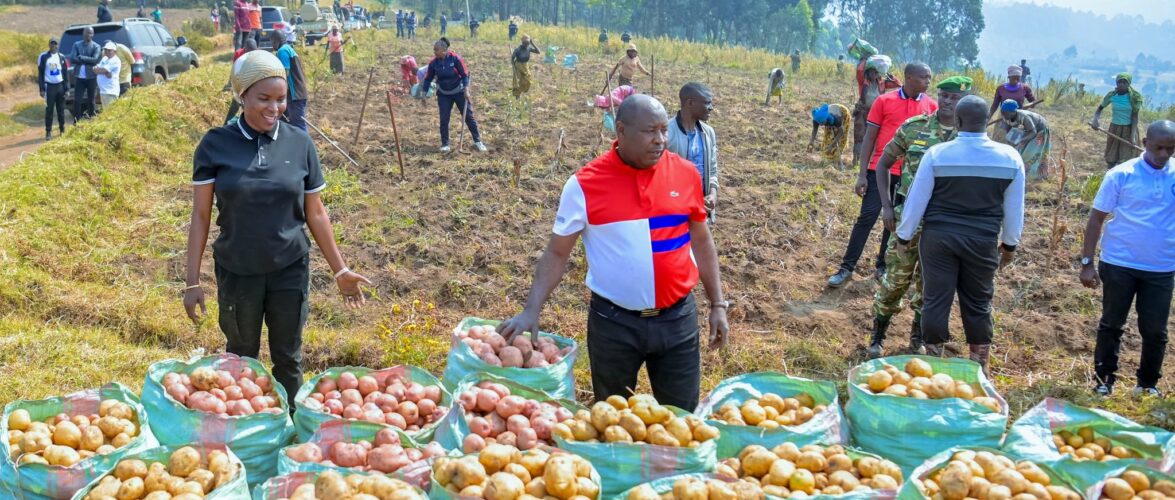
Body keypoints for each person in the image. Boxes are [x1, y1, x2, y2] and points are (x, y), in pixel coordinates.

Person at [497, 94, 730, 411]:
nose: (660, 140)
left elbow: (701, 240)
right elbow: (557, 253)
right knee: (613, 416)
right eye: (650, 131)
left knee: (682, 417)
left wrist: (717, 303)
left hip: (677, 321)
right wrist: (531, 309)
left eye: (664, 130)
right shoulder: (585, 184)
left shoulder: (686, 174)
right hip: (615, 325)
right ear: (620, 131)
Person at [185, 49, 371, 407]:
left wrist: (341, 270)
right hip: (238, 271)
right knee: (241, 358)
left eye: (281, 99)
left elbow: (315, 213)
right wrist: (192, 281)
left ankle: (289, 429)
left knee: (288, 358)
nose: (274, 108)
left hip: (289, 267)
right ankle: (248, 428)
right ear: (242, 96)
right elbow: (201, 217)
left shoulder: (299, 143)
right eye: (263, 99)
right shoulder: (214, 145)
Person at [895, 95, 1024, 372]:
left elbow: (916, 201)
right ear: (986, 122)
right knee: (978, 300)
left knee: (935, 298)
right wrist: (1010, 245)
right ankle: (979, 365)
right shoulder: (1009, 158)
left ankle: (932, 363)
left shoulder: (938, 154)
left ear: (958, 120)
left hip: (938, 238)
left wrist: (903, 237)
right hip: (983, 240)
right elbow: (1015, 208)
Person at [869, 76, 971, 358]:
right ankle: (877, 336)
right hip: (907, 221)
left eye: (956, 98)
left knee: (931, 287)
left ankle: (917, 338)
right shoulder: (916, 128)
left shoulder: (969, 139)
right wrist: (887, 207)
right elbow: (883, 165)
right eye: (946, 95)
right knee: (895, 281)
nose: (949, 101)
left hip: (943, 226)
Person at [1081, 120, 1175, 397]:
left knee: (1155, 330)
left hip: (1161, 267)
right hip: (1119, 263)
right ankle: (1104, 380)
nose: (1163, 154)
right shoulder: (1122, 175)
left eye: (1170, 149)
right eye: (1158, 147)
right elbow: (1096, 219)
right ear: (1145, 142)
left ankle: (1147, 385)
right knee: (1112, 324)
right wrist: (1087, 263)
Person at [828, 63, 935, 288]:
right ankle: (847, 267)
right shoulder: (885, 101)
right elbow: (869, 138)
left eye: (929, 78)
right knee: (867, 217)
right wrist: (861, 174)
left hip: (909, 176)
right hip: (880, 169)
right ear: (908, 77)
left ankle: (882, 266)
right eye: (924, 77)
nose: (928, 82)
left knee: (894, 221)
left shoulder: (931, 106)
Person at [420, 37, 487, 153]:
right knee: (444, 119)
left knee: (468, 117)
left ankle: (478, 141)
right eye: (434, 50)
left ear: (444, 50)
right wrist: (423, 94)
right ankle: (445, 144)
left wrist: (466, 90)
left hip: (459, 91)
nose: (434, 52)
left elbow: (464, 75)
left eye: (436, 50)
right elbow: (427, 79)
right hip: (444, 94)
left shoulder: (455, 59)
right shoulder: (433, 63)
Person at [667, 82, 718, 221]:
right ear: (690, 103)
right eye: (707, 103)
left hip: (701, 207)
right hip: (673, 209)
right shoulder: (666, 134)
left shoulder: (708, 133)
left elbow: (712, 171)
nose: (711, 108)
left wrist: (712, 194)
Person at [853, 57, 901, 168]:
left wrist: (888, 73)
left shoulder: (882, 83)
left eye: (876, 72)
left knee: (874, 138)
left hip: (876, 114)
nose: (873, 74)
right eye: (872, 72)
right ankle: (856, 161)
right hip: (863, 111)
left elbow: (898, 84)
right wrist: (865, 58)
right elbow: (859, 70)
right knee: (859, 136)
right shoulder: (863, 81)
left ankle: (869, 161)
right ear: (868, 71)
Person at [1092, 73, 1144, 169]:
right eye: (1119, 82)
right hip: (1114, 129)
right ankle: (1110, 176)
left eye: (1124, 82)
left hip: (1129, 129)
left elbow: (1134, 117)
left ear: (1129, 84)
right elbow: (1100, 108)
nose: (1121, 84)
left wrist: (1132, 136)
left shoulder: (1134, 98)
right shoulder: (1112, 95)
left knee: (1126, 160)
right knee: (1111, 158)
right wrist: (1095, 120)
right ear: (1116, 83)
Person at [996, 99, 1051, 179]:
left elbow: (1033, 132)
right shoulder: (1006, 117)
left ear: (1013, 112)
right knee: (1019, 149)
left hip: (1040, 129)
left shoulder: (1023, 117)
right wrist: (1011, 142)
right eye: (1002, 112)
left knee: (1030, 152)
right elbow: (1008, 131)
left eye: (1006, 113)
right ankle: (1020, 172)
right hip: (1027, 130)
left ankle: (1034, 176)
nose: (1003, 114)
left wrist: (1020, 141)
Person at [271, 31, 308, 131]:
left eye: (272, 42)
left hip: (294, 94)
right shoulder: (289, 49)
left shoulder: (282, 51)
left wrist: (279, 94)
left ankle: (304, 146)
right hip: (299, 91)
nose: (272, 45)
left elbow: (284, 74)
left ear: (277, 41)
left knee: (298, 124)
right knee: (287, 122)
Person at [38, 38, 69, 140]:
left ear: (58, 46)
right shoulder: (43, 57)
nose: (53, 46)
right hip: (49, 87)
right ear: (49, 45)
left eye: (55, 44)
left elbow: (65, 74)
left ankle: (62, 129)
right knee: (49, 110)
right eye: (52, 44)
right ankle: (48, 132)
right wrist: (42, 89)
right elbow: (41, 74)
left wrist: (67, 89)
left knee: (61, 110)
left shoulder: (62, 57)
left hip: (60, 86)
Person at [70, 27, 101, 123]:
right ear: (83, 33)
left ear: (93, 34)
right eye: (87, 33)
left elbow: (95, 60)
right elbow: (72, 59)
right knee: (77, 101)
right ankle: (77, 121)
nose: (89, 35)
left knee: (91, 100)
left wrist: (81, 57)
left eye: (91, 33)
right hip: (80, 77)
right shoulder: (77, 45)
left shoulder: (96, 46)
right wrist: (88, 60)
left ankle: (92, 119)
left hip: (91, 77)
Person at [223, 38, 257, 125]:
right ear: (246, 48)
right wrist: (230, 82)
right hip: (241, 83)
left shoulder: (257, 54)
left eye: (253, 51)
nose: (251, 54)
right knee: (235, 105)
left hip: (252, 83)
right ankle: (226, 125)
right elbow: (234, 69)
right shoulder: (239, 54)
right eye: (250, 51)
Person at [807, 103, 850, 169]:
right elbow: (815, 129)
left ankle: (838, 161)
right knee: (828, 137)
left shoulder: (835, 118)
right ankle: (827, 158)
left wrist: (832, 144)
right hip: (830, 115)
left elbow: (841, 131)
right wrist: (811, 141)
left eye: (822, 123)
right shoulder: (817, 118)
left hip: (843, 113)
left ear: (826, 119)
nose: (821, 125)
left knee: (841, 139)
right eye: (820, 123)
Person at [94, 41, 121, 111]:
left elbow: (102, 70)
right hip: (103, 91)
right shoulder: (104, 59)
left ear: (114, 51)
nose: (107, 52)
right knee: (106, 113)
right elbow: (95, 70)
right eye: (106, 50)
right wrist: (104, 72)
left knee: (111, 113)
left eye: (109, 50)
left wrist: (102, 71)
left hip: (110, 91)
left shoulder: (115, 60)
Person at [510, 35, 540, 99]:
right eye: (526, 43)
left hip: (525, 65)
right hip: (518, 65)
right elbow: (512, 58)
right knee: (518, 81)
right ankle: (517, 95)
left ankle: (521, 91)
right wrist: (513, 67)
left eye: (528, 43)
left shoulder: (528, 48)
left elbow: (538, 52)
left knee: (528, 80)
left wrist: (532, 43)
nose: (527, 44)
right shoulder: (518, 49)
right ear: (522, 42)